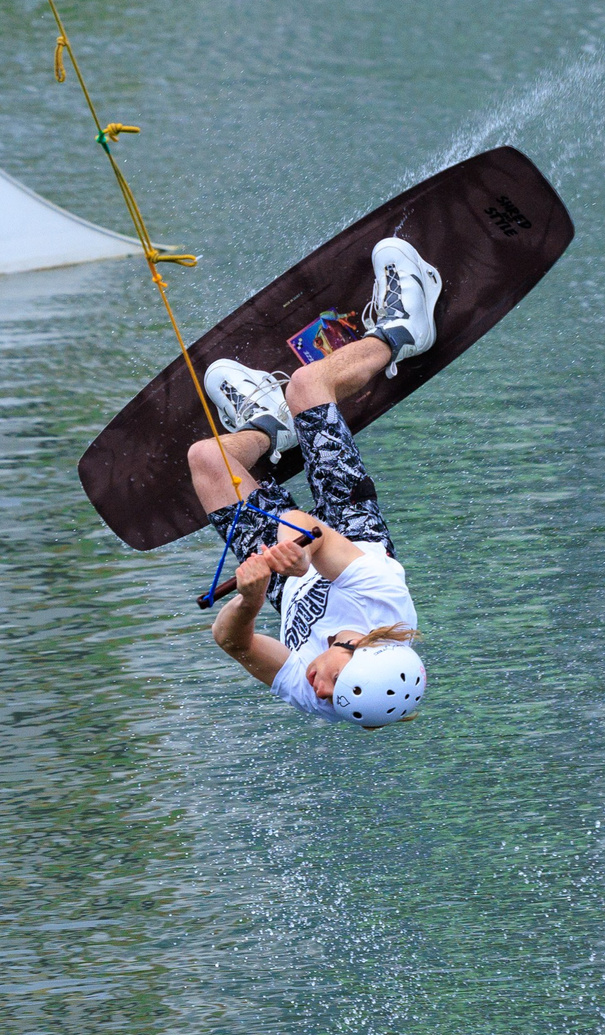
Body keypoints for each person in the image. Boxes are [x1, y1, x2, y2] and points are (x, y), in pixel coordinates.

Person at [187, 237, 440, 727]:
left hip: (285, 582)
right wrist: (298, 551)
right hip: (352, 534)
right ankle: (401, 330)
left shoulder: (324, 698)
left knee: (206, 460)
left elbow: (231, 642)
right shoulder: (381, 597)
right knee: (306, 385)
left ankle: (267, 426)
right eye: (333, 683)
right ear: (362, 649)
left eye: (329, 697)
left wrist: (251, 598)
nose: (317, 687)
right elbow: (308, 528)